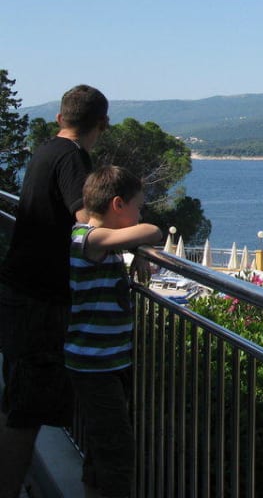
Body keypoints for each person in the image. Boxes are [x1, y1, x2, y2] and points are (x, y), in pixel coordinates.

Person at [0, 84, 109, 498]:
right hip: (41, 301)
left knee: (15, 402)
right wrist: (131, 235)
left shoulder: (45, 150)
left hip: (18, 290)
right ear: (102, 124)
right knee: (25, 414)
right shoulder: (73, 157)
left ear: (61, 117)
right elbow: (85, 220)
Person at [66, 166, 161, 497]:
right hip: (96, 365)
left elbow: (133, 235)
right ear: (118, 204)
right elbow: (153, 231)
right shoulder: (90, 238)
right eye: (138, 206)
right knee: (117, 452)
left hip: (108, 360)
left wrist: (135, 251)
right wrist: (140, 239)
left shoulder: (97, 239)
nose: (140, 215)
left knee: (101, 446)